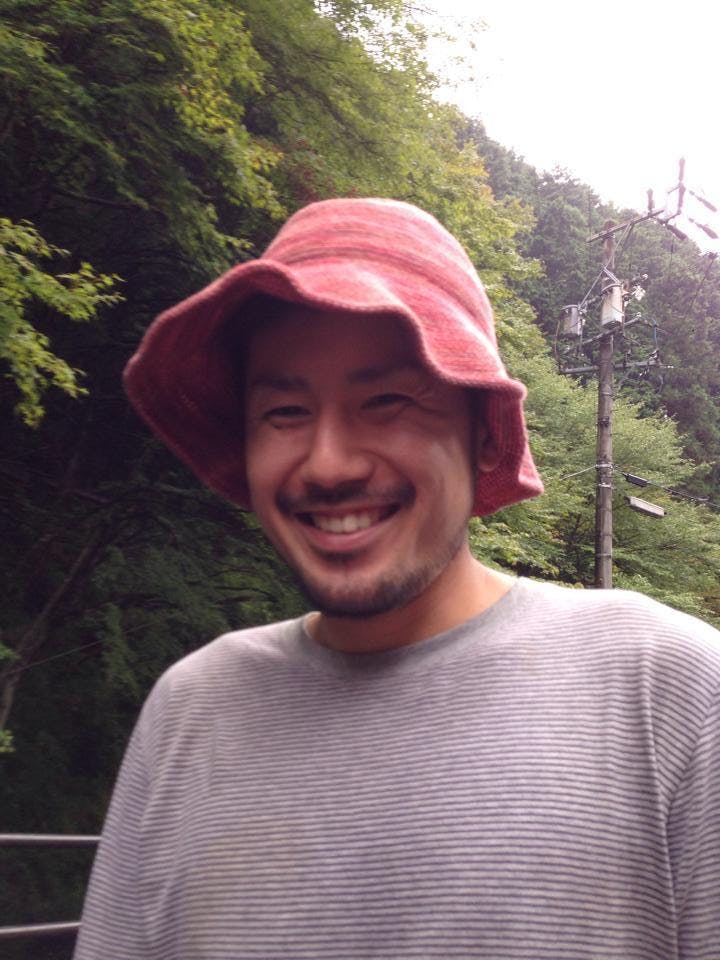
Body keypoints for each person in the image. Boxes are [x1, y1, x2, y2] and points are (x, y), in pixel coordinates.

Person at [74, 198, 720, 960]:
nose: (328, 464)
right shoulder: (190, 711)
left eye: (386, 402)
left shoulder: (668, 689)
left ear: (484, 434)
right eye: (284, 412)